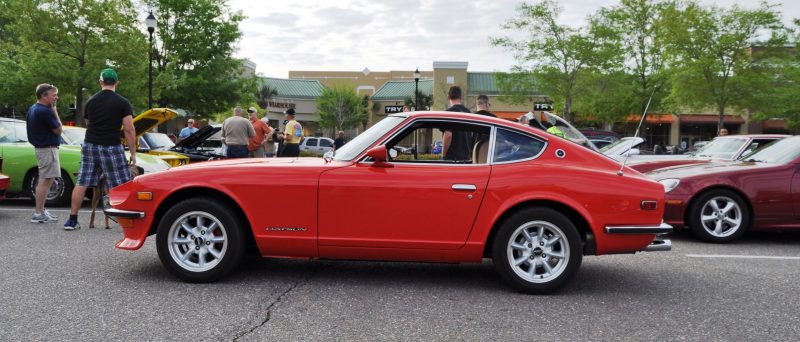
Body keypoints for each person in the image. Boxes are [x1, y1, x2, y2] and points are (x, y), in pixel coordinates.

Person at [64, 68, 136, 230]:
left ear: (100, 82)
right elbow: (129, 129)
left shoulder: (90, 101)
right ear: (117, 83)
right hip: (111, 146)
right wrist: (133, 153)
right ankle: (127, 219)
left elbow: (89, 124)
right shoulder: (122, 102)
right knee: (122, 183)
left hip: (90, 145)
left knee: (82, 182)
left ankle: (72, 220)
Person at [26, 84, 63, 223]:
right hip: (47, 149)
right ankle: (38, 213)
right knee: (45, 180)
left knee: (47, 179)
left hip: (44, 148)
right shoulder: (45, 111)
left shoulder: (33, 109)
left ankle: (41, 210)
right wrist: (55, 111)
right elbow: (59, 130)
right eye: (53, 95)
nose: (56, 97)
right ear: (44, 96)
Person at [441, 85, 472, 161]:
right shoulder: (468, 113)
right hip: (466, 158)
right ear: (461, 97)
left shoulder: (447, 113)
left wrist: (443, 155)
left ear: (448, 97)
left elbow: (448, 135)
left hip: (452, 159)